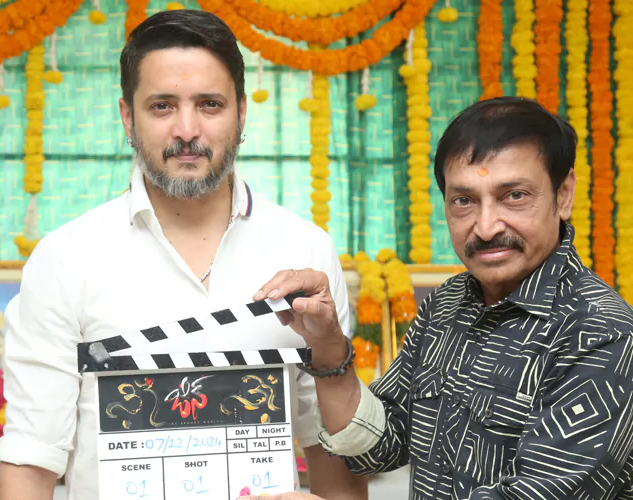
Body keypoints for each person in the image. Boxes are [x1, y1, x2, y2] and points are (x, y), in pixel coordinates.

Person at [0, 10, 366, 500]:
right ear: (128, 117)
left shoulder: (305, 249)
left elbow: (332, 450)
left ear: (241, 113)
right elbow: (31, 460)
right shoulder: (64, 258)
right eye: (162, 106)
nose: (187, 130)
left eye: (210, 104)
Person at [245, 97, 633, 500]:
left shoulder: (601, 333)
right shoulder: (447, 304)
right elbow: (379, 445)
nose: (486, 227)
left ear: (563, 195)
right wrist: (327, 348)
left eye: (514, 196)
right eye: (464, 200)